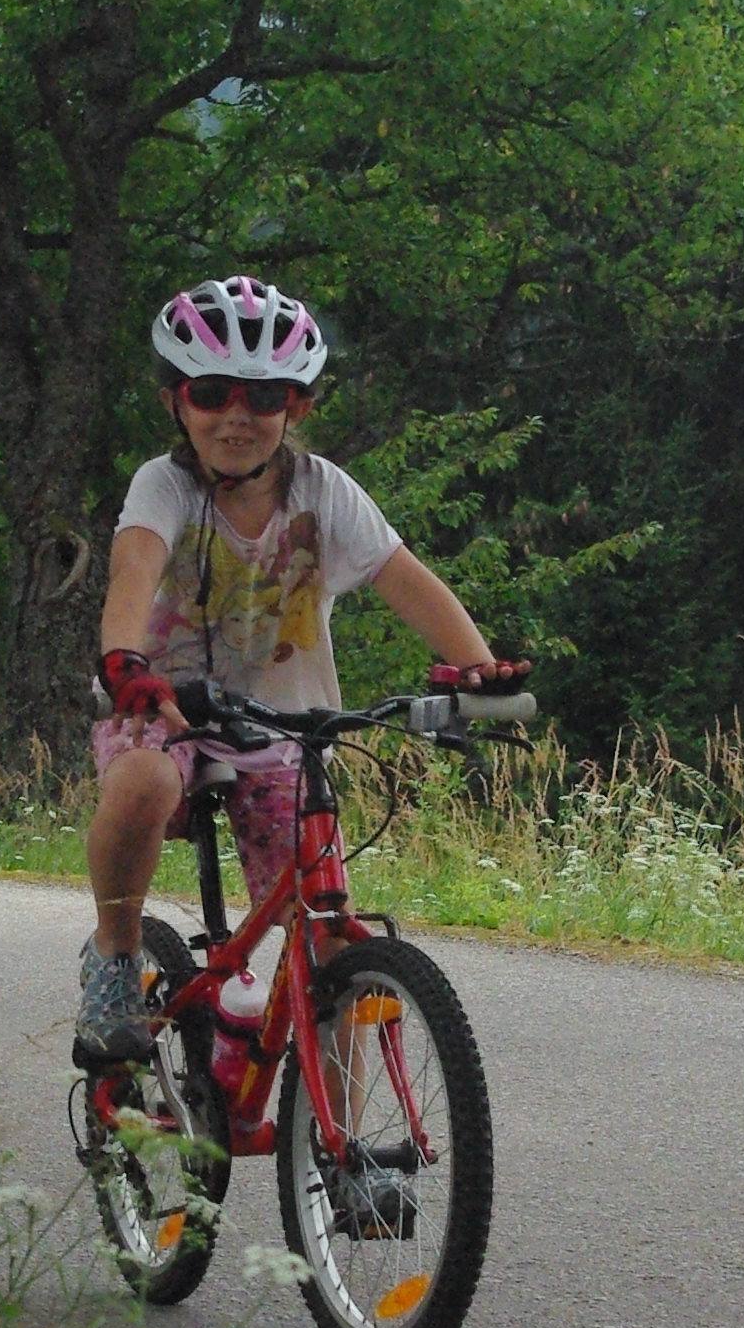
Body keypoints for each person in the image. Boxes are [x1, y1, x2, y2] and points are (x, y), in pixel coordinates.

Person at [75, 275, 526, 1068]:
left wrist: (479, 670)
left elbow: (405, 580)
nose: (237, 416)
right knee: (141, 782)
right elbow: (135, 567)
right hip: (160, 706)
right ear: (176, 402)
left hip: (278, 726)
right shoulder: (164, 484)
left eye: (263, 396)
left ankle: (335, 1143)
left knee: (328, 950)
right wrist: (125, 663)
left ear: (298, 407)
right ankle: (113, 956)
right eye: (211, 393)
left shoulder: (323, 490)